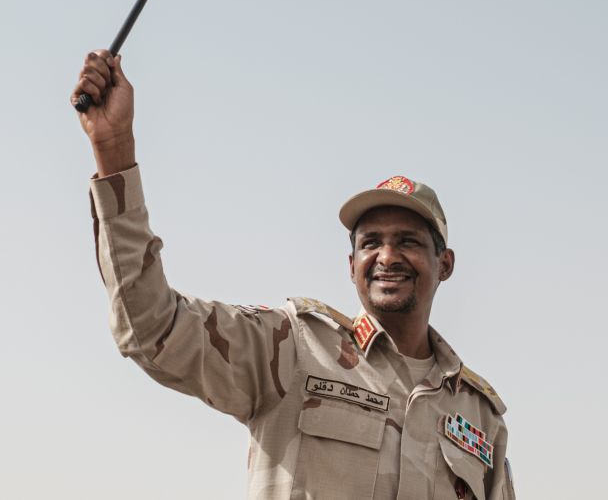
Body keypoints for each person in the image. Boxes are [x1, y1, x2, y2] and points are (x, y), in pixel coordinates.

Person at [72, 50, 515, 499]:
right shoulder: (291, 349)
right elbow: (151, 326)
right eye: (370, 243)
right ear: (351, 266)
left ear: (445, 264)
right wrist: (115, 152)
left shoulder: (479, 416)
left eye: (408, 242)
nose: (387, 256)